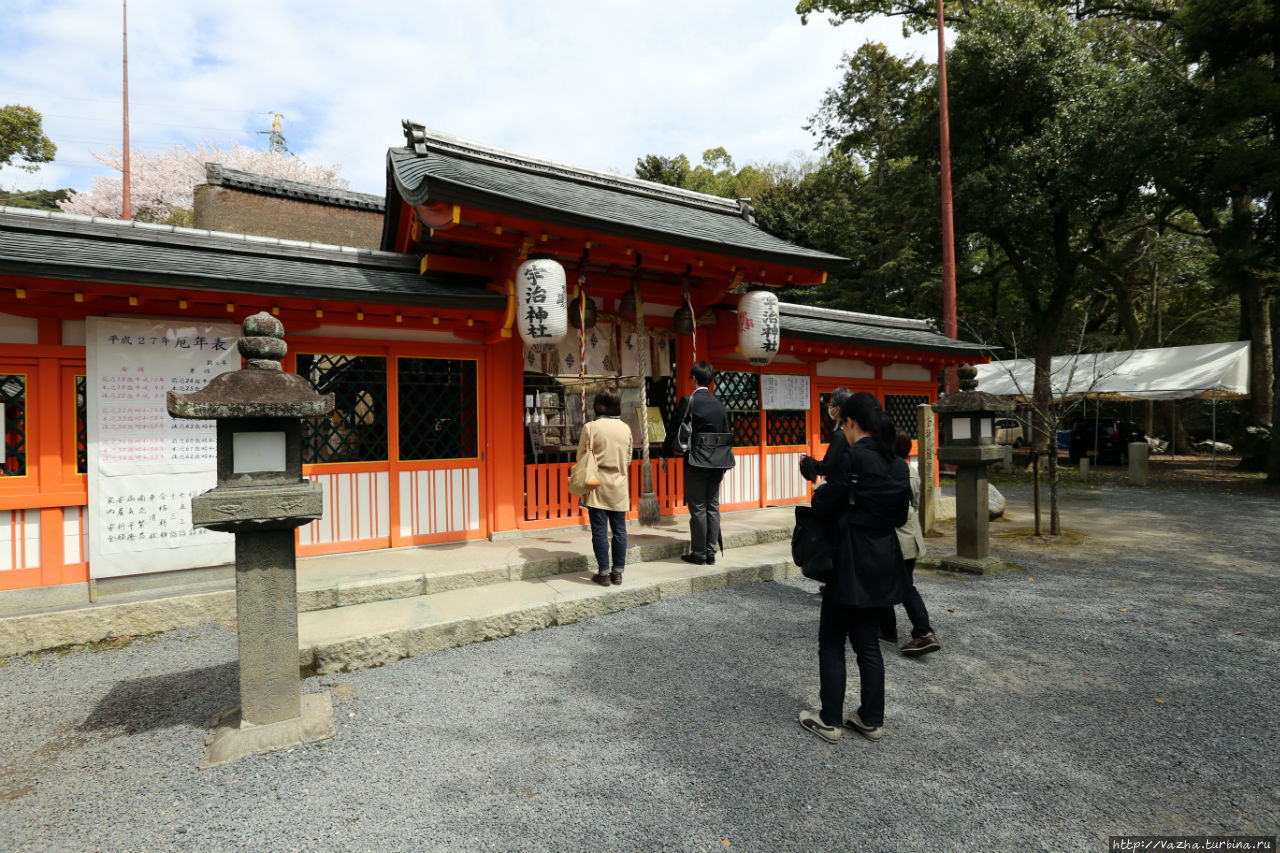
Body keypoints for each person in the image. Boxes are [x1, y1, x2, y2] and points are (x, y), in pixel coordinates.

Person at [798, 392, 911, 744]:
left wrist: (824, 497)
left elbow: (824, 502)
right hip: (883, 558)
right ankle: (870, 718)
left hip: (849, 557)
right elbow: (900, 516)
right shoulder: (897, 462)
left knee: (831, 640)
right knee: (867, 643)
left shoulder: (852, 456)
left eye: (842, 424)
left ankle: (829, 719)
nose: (842, 430)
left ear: (849, 422)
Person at [661, 360, 730, 565]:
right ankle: (711, 552)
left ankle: (699, 554)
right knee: (713, 506)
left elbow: (674, 428)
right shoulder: (719, 404)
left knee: (698, 508)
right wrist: (724, 464)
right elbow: (726, 434)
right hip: (717, 461)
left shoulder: (688, 401)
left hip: (696, 461)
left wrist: (665, 454)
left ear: (693, 378)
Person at [882, 428, 941, 656]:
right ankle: (887, 630)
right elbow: (914, 505)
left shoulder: (888, 471)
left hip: (898, 538)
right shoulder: (911, 471)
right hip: (909, 535)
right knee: (887, 583)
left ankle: (924, 633)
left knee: (904, 587)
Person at [576, 387, 633, 586]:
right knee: (620, 530)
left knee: (599, 531)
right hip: (618, 484)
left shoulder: (590, 428)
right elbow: (628, 459)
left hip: (596, 484)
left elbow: (580, 458)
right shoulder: (626, 428)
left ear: (599, 405)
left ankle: (604, 572)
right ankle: (618, 572)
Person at [799, 387, 852, 483]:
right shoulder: (855, 430)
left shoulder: (841, 435)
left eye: (831, 405)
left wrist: (806, 461)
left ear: (837, 409)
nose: (829, 408)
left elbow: (826, 467)